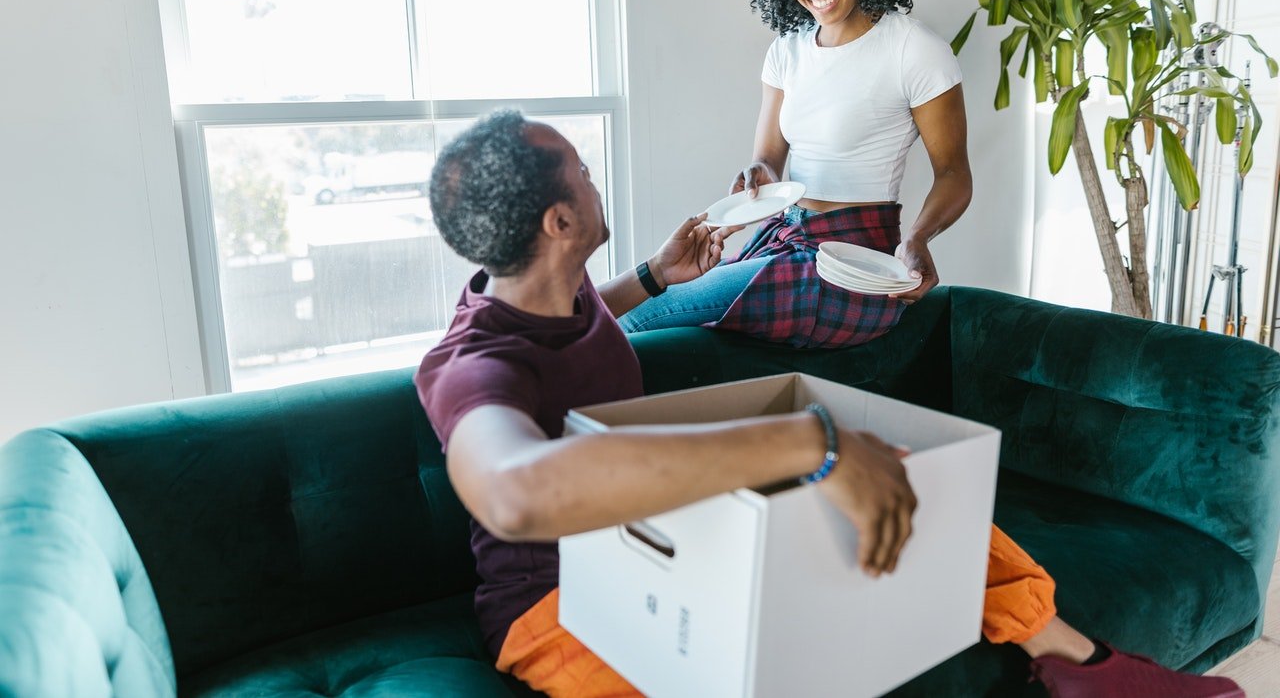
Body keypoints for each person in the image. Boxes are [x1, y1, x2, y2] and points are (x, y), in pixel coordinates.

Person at [416, 110, 1242, 698]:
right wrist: (807, 443)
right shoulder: (468, 366)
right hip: (557, 608)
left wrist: (658, 277)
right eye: (583, 172)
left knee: (917, 489)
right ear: (561, 220)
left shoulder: (549, 287)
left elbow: (577, 331)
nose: (596, 177)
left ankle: (1084, 665)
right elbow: (517, 489)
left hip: (657, 538)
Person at [619, 0, 970, 348]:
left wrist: (916, 238)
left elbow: (954, 174)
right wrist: (758, 172)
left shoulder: (915, 49)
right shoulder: (786, 51)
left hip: (854, 263)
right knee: (656, 322)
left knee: (640, 316)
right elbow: (768, 159)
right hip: (788, 238)